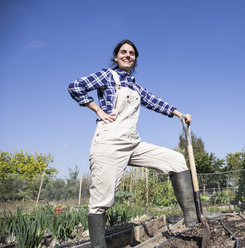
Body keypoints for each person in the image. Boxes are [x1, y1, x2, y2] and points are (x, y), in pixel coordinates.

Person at [68, 40, 199, 247]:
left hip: (132, 143)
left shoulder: (135, 86)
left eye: (131, 53)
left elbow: (154, 101)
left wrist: (179, 114)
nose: (127, 55)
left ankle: (193, 220)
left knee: (176, 160)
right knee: (102, 199)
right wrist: (98, 110)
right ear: (116, 56)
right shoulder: (106, 75)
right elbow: (75, 86)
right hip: (109, 142)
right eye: (123, 52)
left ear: (135, 58)